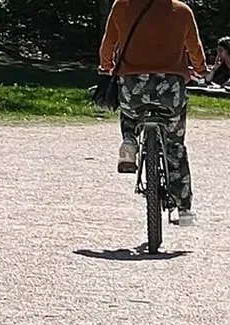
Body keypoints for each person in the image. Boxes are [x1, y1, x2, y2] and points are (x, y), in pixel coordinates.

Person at [98, 0, 206, 220]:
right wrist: (200, 70)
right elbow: (194, 47)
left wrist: (106, 66)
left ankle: (129, 141)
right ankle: (184, 209)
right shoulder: (181, 11)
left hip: (132, 86)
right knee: (175, 144)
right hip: (170, 90)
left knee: (129, 113)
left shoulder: (122, 6)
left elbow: (108, 43)